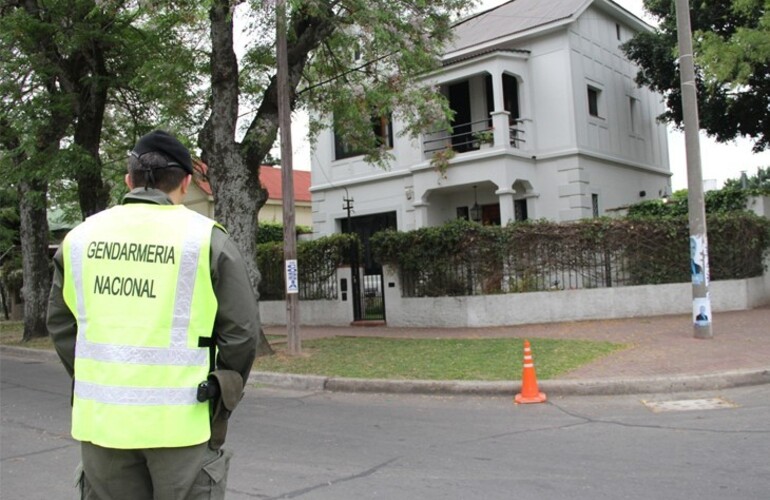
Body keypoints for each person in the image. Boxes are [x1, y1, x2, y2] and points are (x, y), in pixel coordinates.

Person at [47, 130, 259, 499]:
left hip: (103, 424)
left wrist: (99, 378)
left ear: (128, 180)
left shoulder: (78, 240)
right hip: (182, 425)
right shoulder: (207, 240)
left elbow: (62, 326)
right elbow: (241, 333)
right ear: (186, 183)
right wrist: (222, 392)